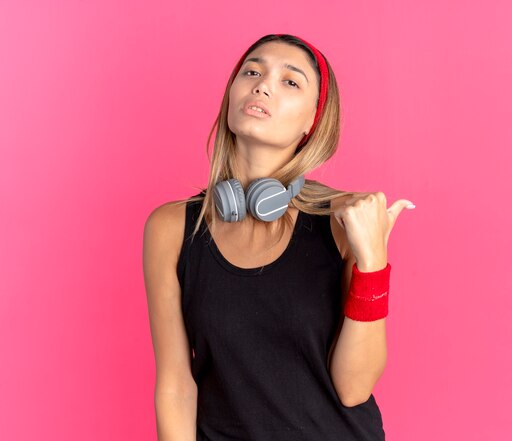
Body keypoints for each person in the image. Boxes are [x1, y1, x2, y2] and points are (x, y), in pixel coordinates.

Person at [143, 33, 414, 441]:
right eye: (251, 71)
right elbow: (176, 386)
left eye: (290, 81)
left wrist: (372, 260)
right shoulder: (172, 228)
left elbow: (354, 386)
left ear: (313, 121)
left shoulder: (345, 221)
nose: (262, 84)